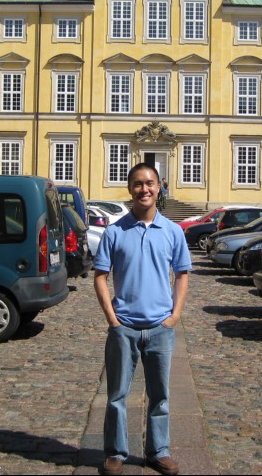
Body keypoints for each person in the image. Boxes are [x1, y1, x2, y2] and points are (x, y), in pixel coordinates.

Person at [93, 163, 191, 476]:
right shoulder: (115, 231)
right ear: (130, 188)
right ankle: (116, 453)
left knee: (160, 395)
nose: (144, 189)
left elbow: (183, 274)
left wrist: (174, 316)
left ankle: (158, 451)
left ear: (159, 186)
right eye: (137, 184)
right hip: (124, 328)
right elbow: (100, 277)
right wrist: (113, 318)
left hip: (160, 328)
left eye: (149, 183)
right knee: (117, 396)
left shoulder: (173, 231)